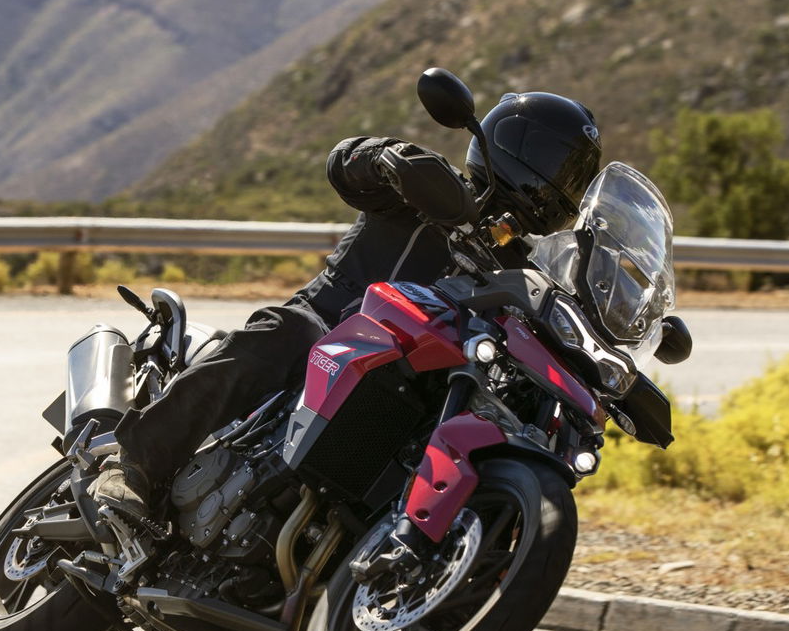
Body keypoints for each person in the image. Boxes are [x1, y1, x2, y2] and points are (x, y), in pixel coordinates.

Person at [91, 90, 604, 526]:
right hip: (329, 325)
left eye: (573, 176)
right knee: (284, 334)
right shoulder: (429, 186)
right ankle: (133, 462)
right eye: (557, 164)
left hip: (411, 379)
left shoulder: (525, 272)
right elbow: (344, 165)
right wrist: (385, 156)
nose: (558, 181)